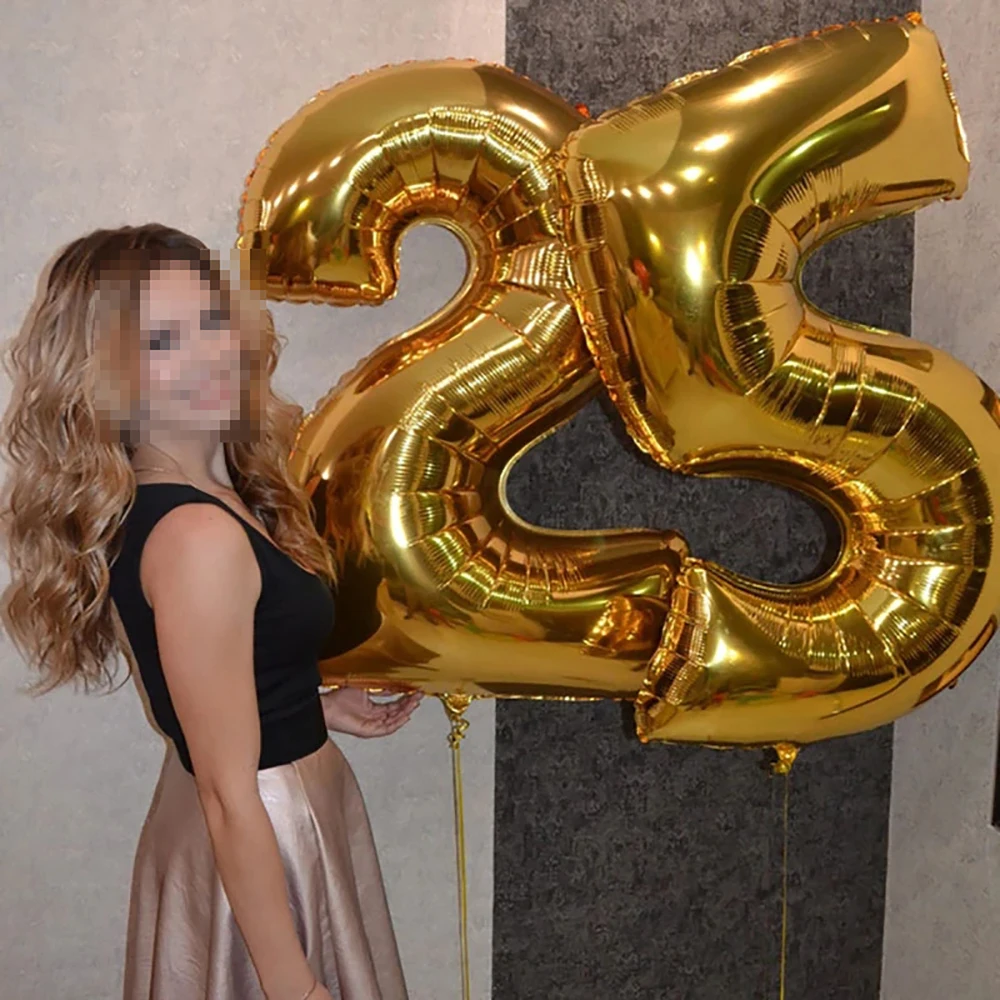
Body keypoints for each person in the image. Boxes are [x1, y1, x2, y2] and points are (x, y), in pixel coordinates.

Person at [0, 223, 421, 1000]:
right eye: (163, 340)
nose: (206, 353)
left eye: (210, 321)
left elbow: (213, 688)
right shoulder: (197, 534)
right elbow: (229, 795)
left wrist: (308, 708)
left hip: (257, 811)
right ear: (106, 374)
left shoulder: (200, 498)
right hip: (258, 835)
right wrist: (296, 988)